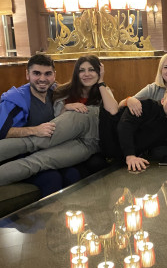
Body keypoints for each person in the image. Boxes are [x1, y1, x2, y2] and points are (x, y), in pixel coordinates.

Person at [0, 55, 118, 186]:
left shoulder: (103, 90)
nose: (87, 74)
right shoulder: (62, 91)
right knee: (32, 146)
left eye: (92, 70)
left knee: (40, 162)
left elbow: (113, 111)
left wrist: (101, 82)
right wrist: (66, 108)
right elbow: (57, 119)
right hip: (76, 126)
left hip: (91, 143)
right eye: (82, 70)